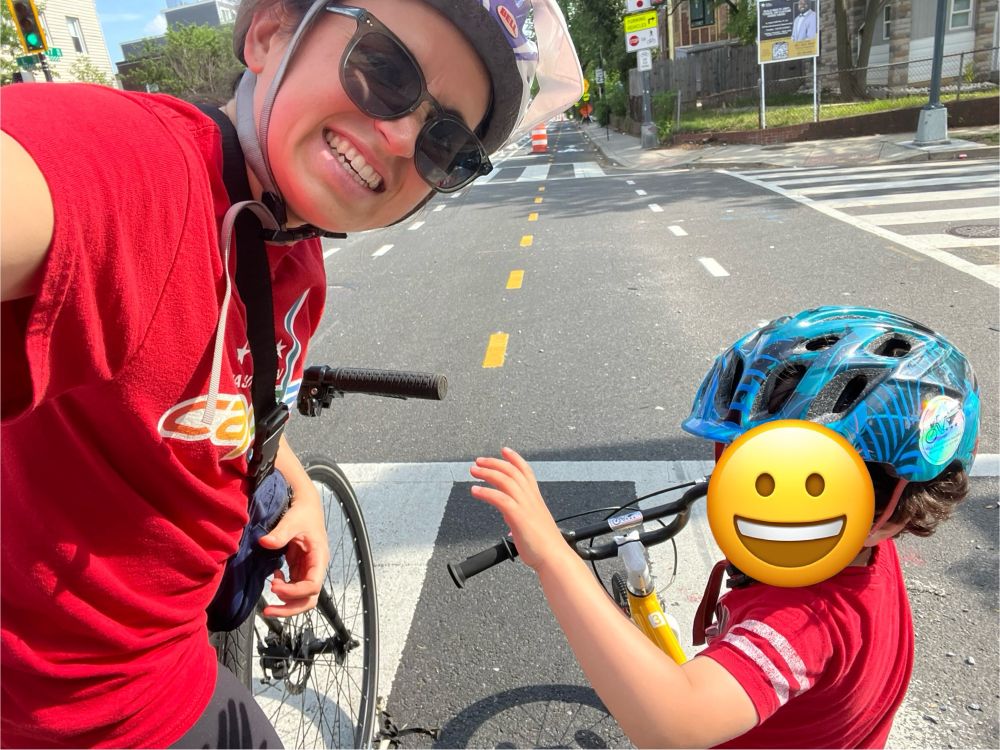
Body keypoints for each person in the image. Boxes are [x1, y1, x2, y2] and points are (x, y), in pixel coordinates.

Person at [0, 0, 582, 746]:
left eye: (446, 143)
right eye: (384, 69)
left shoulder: (292, 256)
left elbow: (223, 395)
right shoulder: (146, 169)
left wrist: (293, 479)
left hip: (162, 658)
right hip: (96, 712)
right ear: (271, 32)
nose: (402, 138)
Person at [470, 306, 979, 749]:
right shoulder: (866, 551)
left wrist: (553, 558)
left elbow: (673, 724)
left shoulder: (801, 619)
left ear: (888, 513)